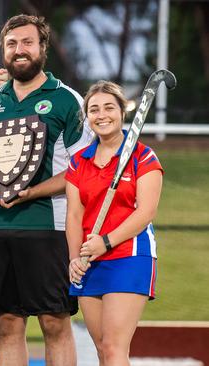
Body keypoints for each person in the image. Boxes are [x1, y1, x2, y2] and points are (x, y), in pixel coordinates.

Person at [0, 14, 95, 366]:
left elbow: (83, 171)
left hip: (48, 228)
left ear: (42, 48)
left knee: (54, 322)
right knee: (6, 325)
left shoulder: (66, 100)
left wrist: (32, 192)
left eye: (27, 43)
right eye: (11, 44)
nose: (19, 51)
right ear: (3, 51)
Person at [67, 81, 163, 365]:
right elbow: (74, 215)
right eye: (93, 109)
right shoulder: (78, 162)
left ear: (122, 112)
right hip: (88, 260)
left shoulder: (143, 157)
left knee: (113, 348)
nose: (102, 115)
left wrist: (105, 241)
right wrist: (74, 258)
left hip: (129, 256)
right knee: (101, 349)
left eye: (109, 107)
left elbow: (146, 212)